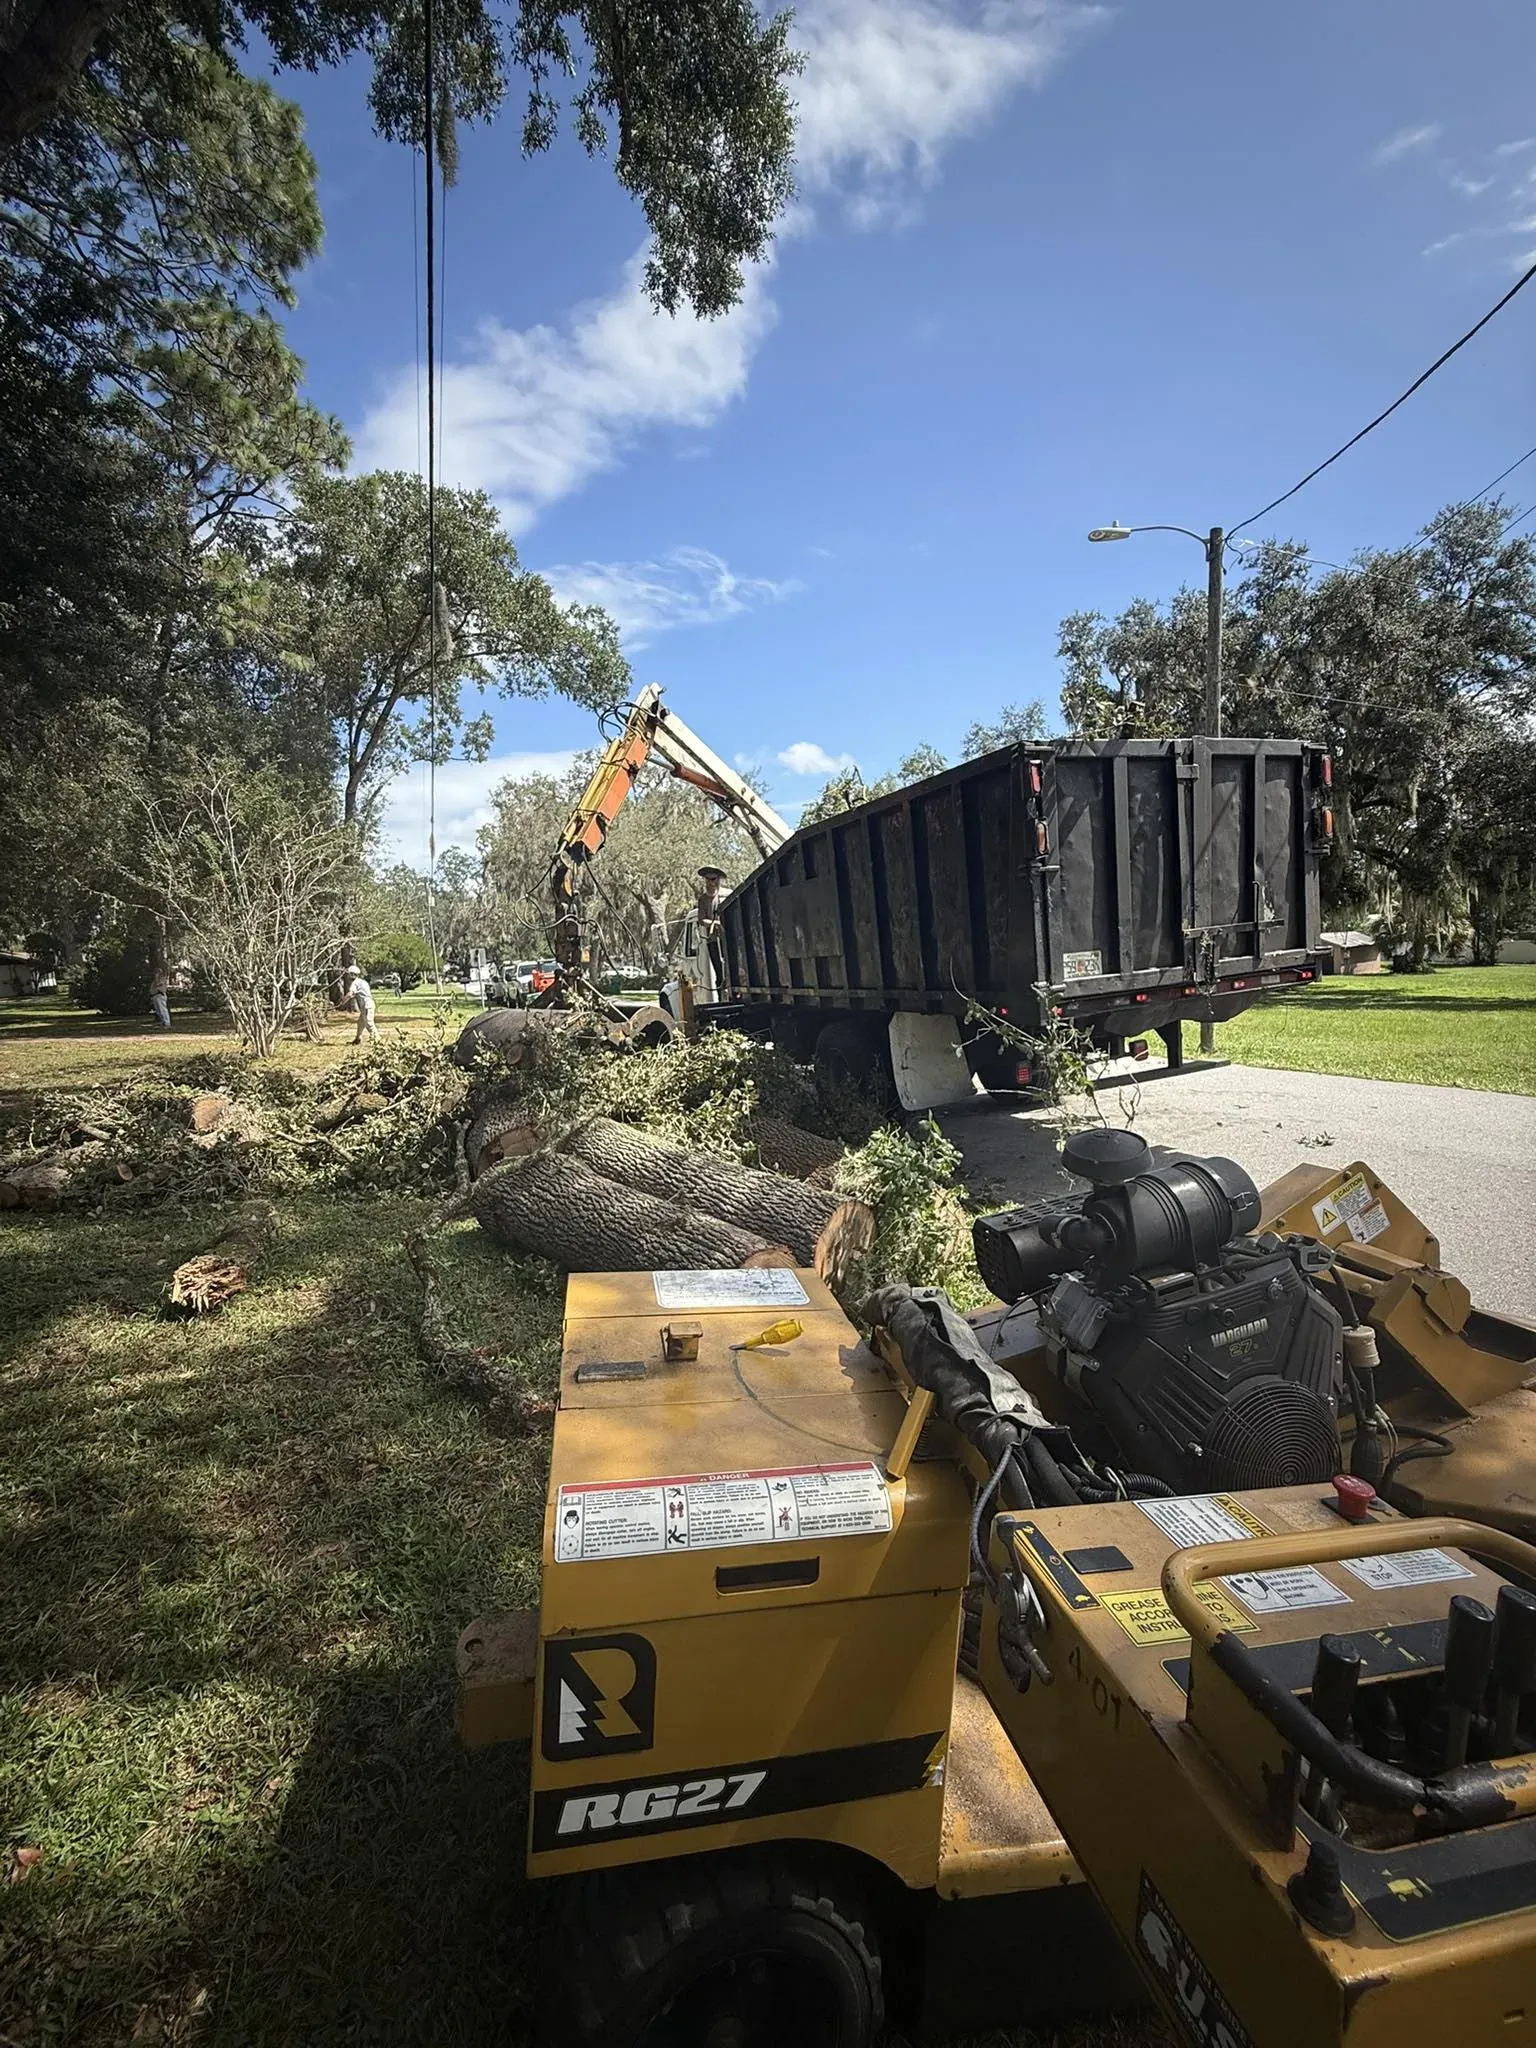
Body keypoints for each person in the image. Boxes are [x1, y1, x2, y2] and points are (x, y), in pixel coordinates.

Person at [347, 970, 378, 1044]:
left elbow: (350, 994)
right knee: (360, 1023)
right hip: (368, 1004)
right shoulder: (363, 982)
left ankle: (377, 1039)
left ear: (352, 974)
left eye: (349, 974)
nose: (348, 976)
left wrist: (342, 1002)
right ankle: (358, 1039)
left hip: (367, 1005)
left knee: (369, 1023)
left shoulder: (354, 983)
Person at [148, 962, 171, 1031]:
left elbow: (158, 984)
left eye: (157, 972)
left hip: (160, 995)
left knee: (162, 1009)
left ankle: (167, 1023)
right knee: (158, 1011)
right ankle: (163, 1022)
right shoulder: (154, 981)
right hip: (154, 996)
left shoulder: (162, 979)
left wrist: (157, 977)